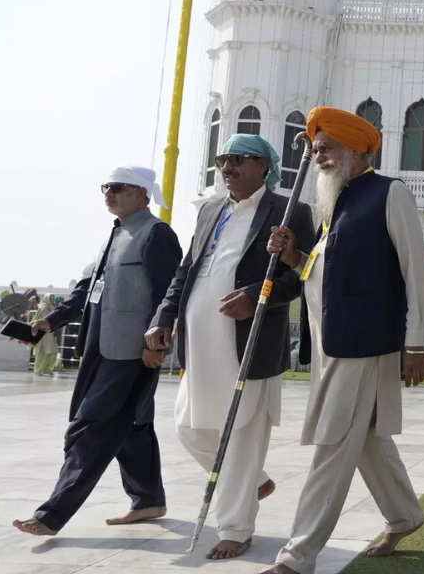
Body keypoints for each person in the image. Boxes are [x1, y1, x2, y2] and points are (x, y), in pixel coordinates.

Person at [262, 107, 424, 574]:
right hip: (330, 343)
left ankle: (296, 557)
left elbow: (415, 272)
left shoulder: (388, 193)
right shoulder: (333, 200)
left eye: (326, 148)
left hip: (365, 342)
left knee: (332, 443)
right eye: (315, 149)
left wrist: (416, 344)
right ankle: (405, 514)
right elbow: (321, 273)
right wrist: (295, 256)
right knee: (367, 439)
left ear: (355, 150)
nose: (318, 157)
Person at [144, 134, 315, 559]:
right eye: (223, 159)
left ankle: (237, 528)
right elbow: (187, 270)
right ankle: (255, 482)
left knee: (240, 435)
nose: (227, 167)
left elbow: (303, 274)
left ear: (263, 166)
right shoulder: (210, 211)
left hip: (248, 342)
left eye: (238, 159)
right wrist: (163, 318)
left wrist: (258, 293)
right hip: (200, 343)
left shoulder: (291, 210)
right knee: (189, 428)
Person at [14, 167, 181, 536]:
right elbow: (86, 289)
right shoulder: (116, 235)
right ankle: (149, 499)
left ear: (141, 192)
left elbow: (168, 295)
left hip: (132, 352)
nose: (108, 193)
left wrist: (156, 346)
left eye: (117, 188)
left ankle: (51, 514)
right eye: (105, 187)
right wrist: (48, 323)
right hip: (99, 349)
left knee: (90, 428)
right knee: (132, 426)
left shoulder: (156, 234)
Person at [29, 290, 59, 376]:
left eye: (53, 298)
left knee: (52, 351)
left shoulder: (52, 308)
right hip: (43, 334)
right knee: (43, 352)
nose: (52, 300)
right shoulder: (43, 308)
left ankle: (47, 368)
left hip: (51, 333)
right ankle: (38, 369)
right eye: (51, 298)